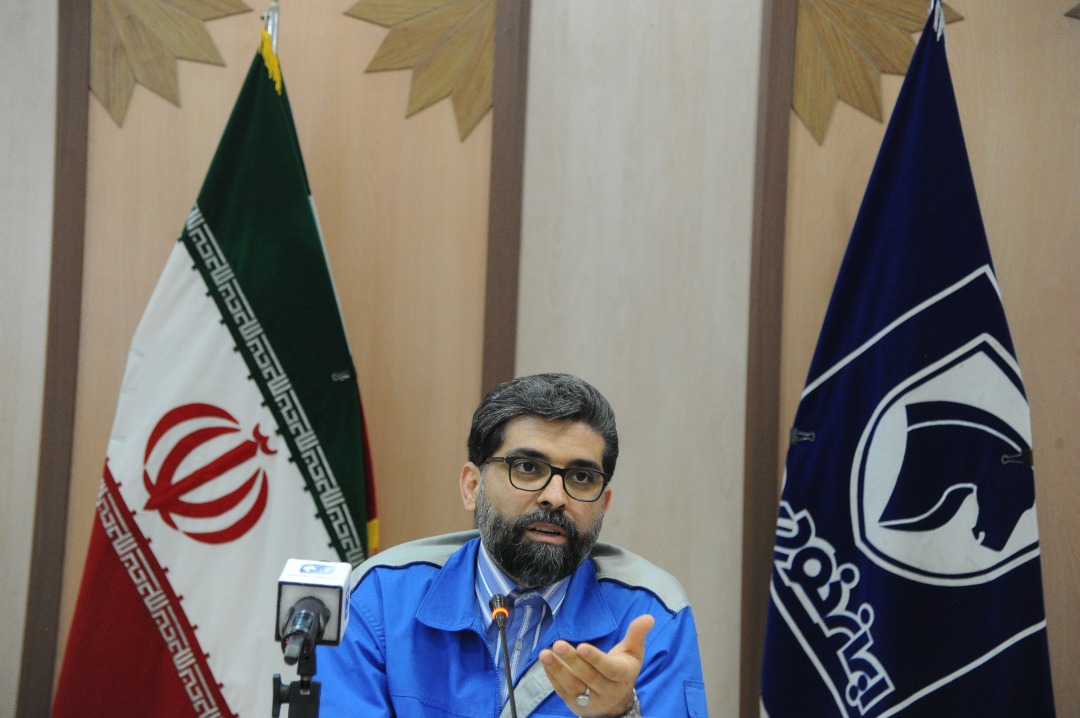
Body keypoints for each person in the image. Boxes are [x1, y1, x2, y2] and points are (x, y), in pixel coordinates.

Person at [317, 373, 708, 716]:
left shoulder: (652, 616)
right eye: (527, 468)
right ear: (473, 487)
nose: (555, 497)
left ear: (603, 505)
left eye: (581, 478)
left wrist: (620, 714)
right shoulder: (380, 599)